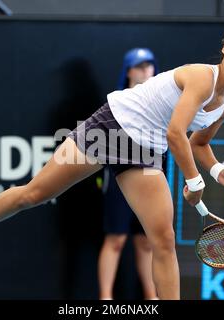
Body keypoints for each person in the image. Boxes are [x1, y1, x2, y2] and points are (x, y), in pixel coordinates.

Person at [0, 28, 224, 300]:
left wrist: (217, 170)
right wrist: (194, 182)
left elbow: (198, 142)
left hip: (147, 151)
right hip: (111, 129)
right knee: (33, 194)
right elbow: (177, 133)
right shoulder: (201, 77)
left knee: (162, 239)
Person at [98, 48, 158, 300]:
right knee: (117, 240)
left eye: (149, 65)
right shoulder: (119, 100)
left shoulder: (159, 100)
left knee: (146, 242)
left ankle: (152, 297)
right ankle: (106, 298)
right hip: (119, 179)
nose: (146, 70)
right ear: (129, 70)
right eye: (140, 65)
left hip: (149, 177)